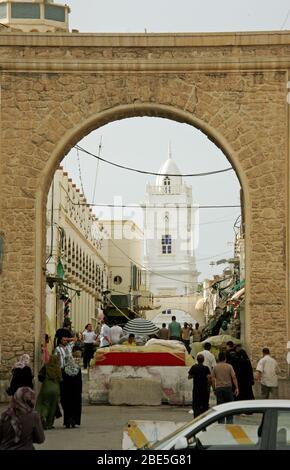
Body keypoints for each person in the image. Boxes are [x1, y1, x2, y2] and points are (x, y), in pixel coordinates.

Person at [35, 355, 62, 430]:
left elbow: (40, 377)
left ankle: (43, 417)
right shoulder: (58, 368)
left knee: (44, 404)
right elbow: (61, 379)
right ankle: (49, 424)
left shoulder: (46, 367)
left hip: (46, 388)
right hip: (55, 390)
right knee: (53, 407)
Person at [212, 351, 239, 422]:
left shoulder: (215, 367)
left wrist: (214, 388)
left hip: (219, 388)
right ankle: (229, 421)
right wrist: (236, 387)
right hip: (228, 388)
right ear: (225, 358)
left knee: (220, 406)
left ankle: (221, 422)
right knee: (229, 406)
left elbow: (212, 379)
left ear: (218, 358)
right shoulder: (229, 366)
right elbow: (234, 377)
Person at [61, 356, 82, 428]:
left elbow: (62, 382)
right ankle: (74, 421)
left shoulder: (64, 370)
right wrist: (80, 391)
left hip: (67, 392)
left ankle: (67, 421)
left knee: (67, 407)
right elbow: (80, 381)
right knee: (75, 406)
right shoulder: (78, 369)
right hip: (76, 392)